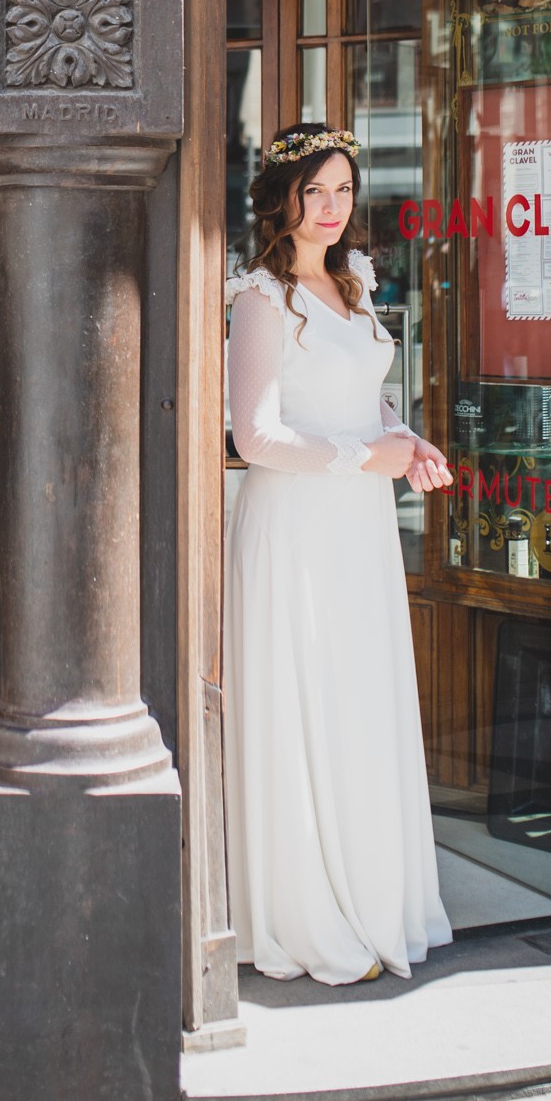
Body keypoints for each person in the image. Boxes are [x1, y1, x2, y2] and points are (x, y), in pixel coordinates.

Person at [224, 124, 454, 985]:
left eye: (343, 192)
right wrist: (367, 459)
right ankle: (306, 914)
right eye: (313, 191)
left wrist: (406, 439)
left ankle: (377, 894)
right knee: (304, 702)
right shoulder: (256, 296)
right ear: (281, 198)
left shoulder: (354, 284)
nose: (329, 209)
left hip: (360, 528)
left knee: (361, 700)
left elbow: (367, 400)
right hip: (294, 528)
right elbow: (255, 437)